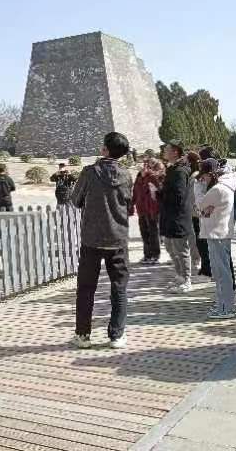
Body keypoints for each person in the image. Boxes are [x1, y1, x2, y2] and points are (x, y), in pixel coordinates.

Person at [70, 132, 134, 349]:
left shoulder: (90, 172)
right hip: (118, 237)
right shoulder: (126, 175)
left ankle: (83, 334)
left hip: (92, 238)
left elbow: (76, 200)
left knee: (86, 288)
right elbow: (129, 204)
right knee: (119, 287)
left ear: (105, 149)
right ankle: (117, 335)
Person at [196, 159, 236, 319]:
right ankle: (224, 304)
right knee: (223, 271)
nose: (202, 179)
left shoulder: (218, 189)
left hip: (216, 234)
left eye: (204, 176)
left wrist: (198, 189)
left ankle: (225, 308)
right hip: (221, 233)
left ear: (209, 174)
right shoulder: (225, 186)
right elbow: (204, 209)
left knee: (221, 273)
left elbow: (200, 205)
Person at [160, 140, 195, 294]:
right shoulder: (173, 169)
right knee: (170, 246)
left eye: (167, 149)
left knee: (181, 249)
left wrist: (160, 194)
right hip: (170, 215)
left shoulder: (180, 171)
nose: (164, 151)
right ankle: (180, 276)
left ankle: (187, 280)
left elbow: (178, 196)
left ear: (175, 152)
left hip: (178, 216)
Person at [132, 157, 164, 264]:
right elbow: (135, 192)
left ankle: (155, 255)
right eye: (142, 164)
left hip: (152, 209)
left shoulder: (153, 177)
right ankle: (147, 255)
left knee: (153, 233)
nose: (143, 167)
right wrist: (131, 205)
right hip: (141, 209)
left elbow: (159, 191)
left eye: (145, 165)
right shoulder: (138, 178)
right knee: (144, 233)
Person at [186, 151, 207, 275]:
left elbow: (193, 195)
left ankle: (199, 260)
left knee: (197, 238)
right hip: (196, 211)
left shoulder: (195, 176)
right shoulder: (195, 175)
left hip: (196, 212)